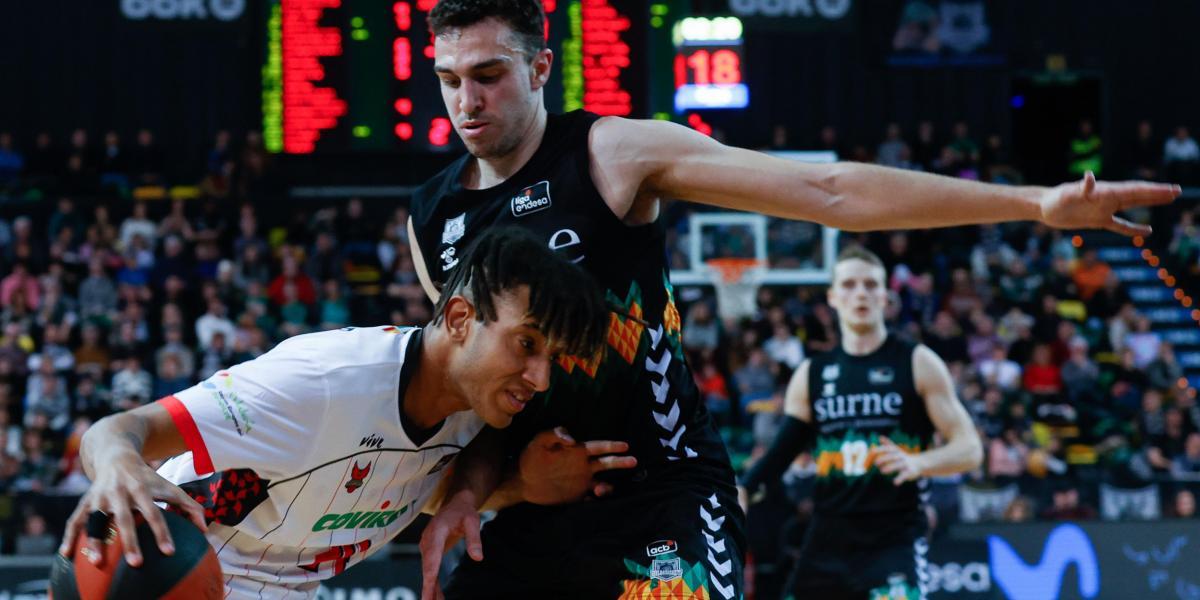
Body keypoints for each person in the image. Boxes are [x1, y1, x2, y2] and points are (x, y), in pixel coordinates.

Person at [407, 2, 1178, 598]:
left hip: (664, 493)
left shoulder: (612, 152)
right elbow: (470, 401)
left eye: (488, 74)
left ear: (541, 68)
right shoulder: (431, 218)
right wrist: (487, 489)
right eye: (449, 80)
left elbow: (829, 190)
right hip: (529, 506)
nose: (466, 101)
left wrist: (1034, 203)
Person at [57, 227, 619, 599]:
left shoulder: (478, 409)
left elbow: (424, 486)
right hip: (173, 568)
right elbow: (119, 430)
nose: (540, 378)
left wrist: (521, 486)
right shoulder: (321, 382)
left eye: (554, 357)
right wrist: (113, 464)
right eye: (526, 344)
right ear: (458, 318)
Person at [739, 247, 982, 599]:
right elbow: (781, 452)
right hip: (826, 540)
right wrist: (744, 489)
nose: (861, 293)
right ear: (833, 297)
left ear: (885, 296)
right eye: (850, 285)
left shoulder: (917, 362)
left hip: (893, 538)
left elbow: (970, 448)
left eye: (871, 285)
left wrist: (919, 462)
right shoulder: (812, 373)